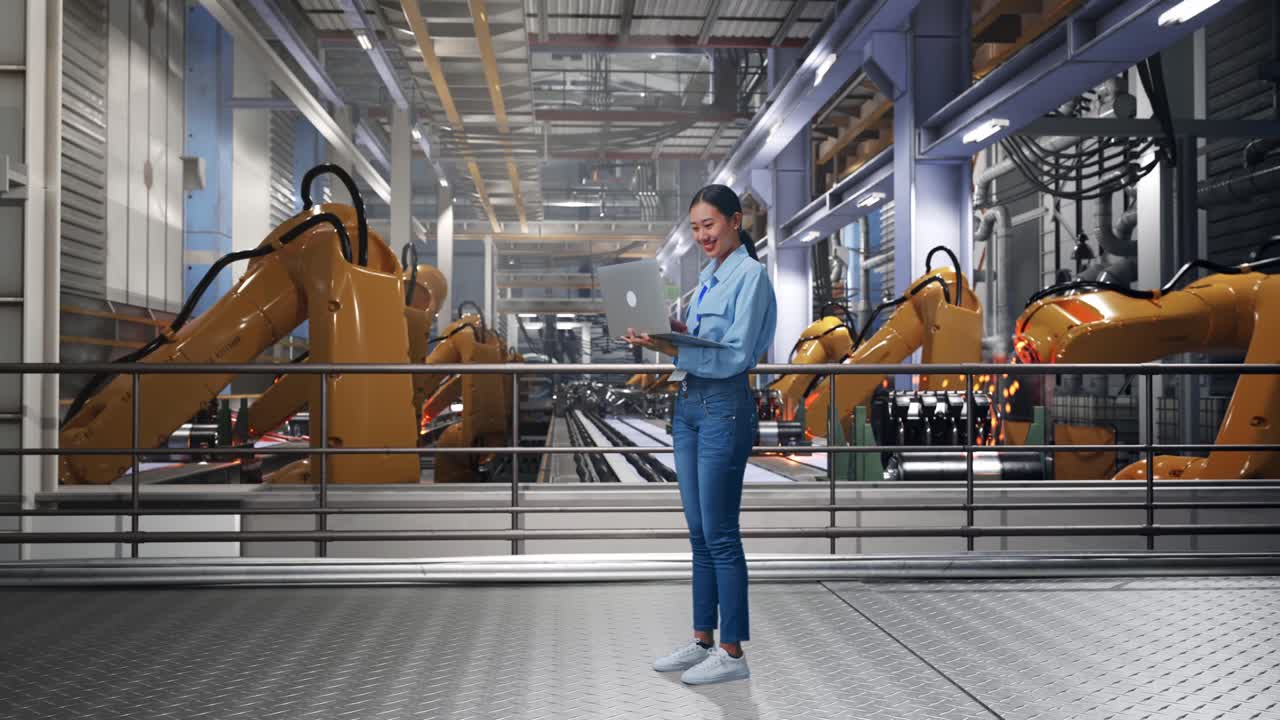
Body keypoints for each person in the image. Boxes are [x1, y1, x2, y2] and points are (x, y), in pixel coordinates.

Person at [624, 184, 777, 685]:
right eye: (694, 228)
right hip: (689, 406)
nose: (701, 236)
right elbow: (701, 340)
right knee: (698, 534)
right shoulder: (710, 276)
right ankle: (702, 641)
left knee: (721, 534)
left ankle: (732, 654)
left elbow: (734, 355)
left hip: (722, 408)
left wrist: (670, 350)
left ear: (735, 221)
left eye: (709, 225)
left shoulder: (751, 277)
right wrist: (660, 332)